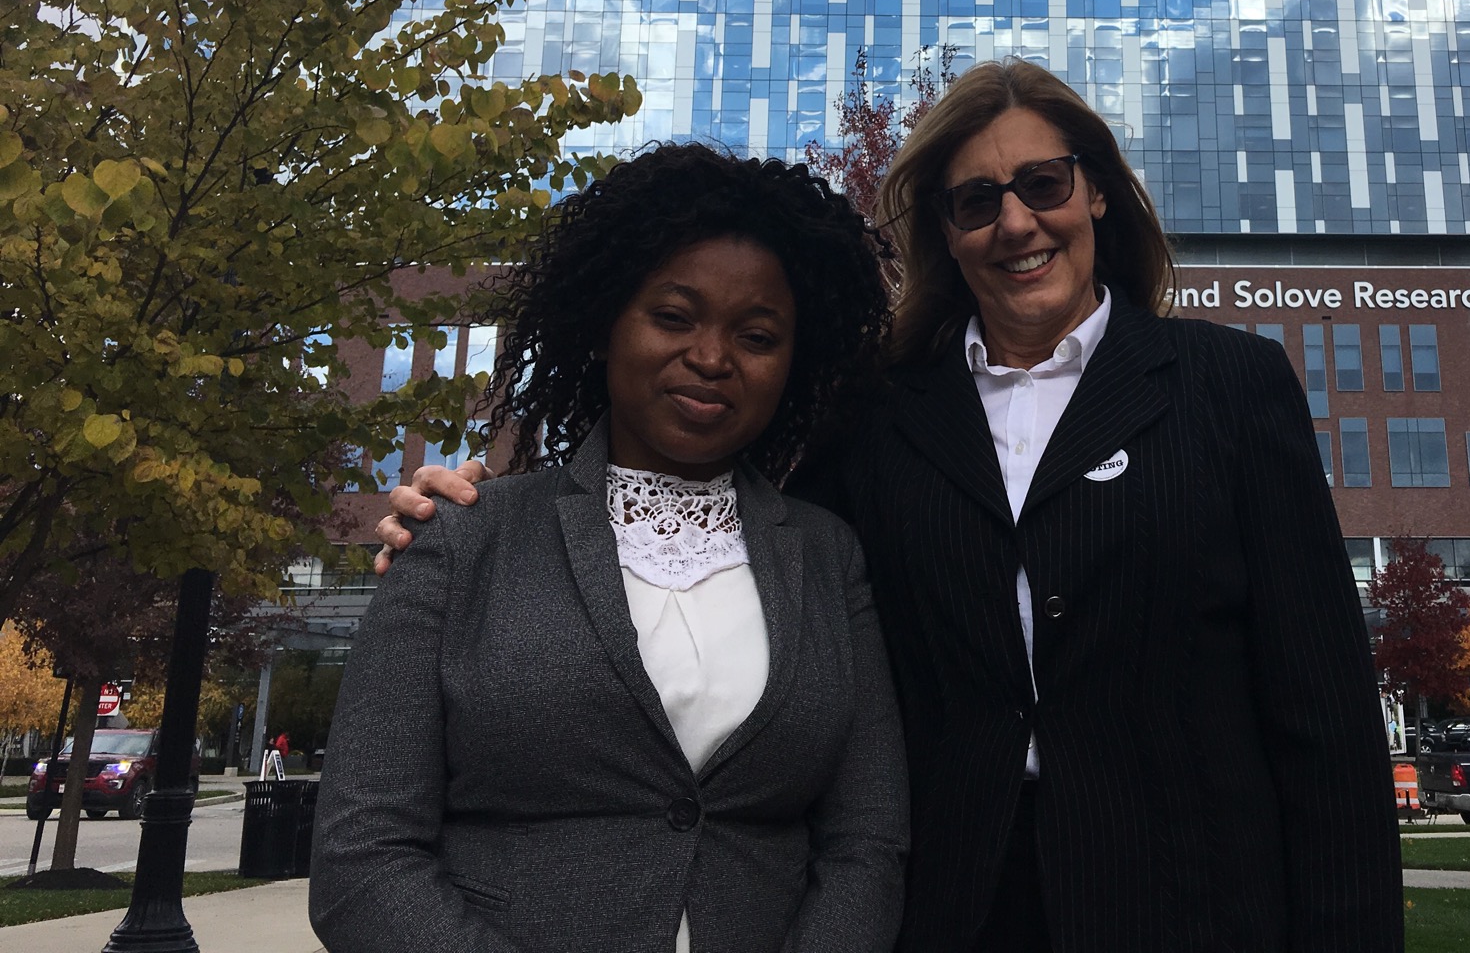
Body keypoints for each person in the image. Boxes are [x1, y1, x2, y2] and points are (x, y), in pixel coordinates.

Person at [384, 61, 1401, 952]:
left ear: (1095, 195)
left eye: (1042, 184)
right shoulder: (873, 418)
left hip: (1193, 907)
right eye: (973, 202)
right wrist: (475, 512)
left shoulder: (1229, 388)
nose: (1014, 222)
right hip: (948, 908)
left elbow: (1326, 719)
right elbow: (714, 531)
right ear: (944, 234)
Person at [318, 145, 908, 953]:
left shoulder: (827, 556)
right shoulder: (461, 534)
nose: (710, 357)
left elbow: (867, 841)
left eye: (758, 335)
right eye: (673, 317)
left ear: (793, 365)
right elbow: (362, 858)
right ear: (605, 325)